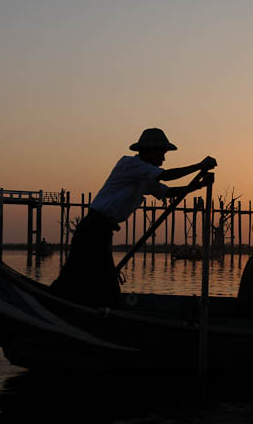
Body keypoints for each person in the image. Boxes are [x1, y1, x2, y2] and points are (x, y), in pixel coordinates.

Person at [50, 128, 217, 307]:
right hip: (93, 228)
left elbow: (168, 192)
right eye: (161, 153)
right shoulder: (129, 164)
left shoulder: (145, 175)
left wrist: (198, 185)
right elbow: (166, 176)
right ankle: (76, 307)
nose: (163, 159)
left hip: (102, 230)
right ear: (149, 151)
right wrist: (198, 166)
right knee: (87, 278)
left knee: (84, 277)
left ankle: (75, 305)